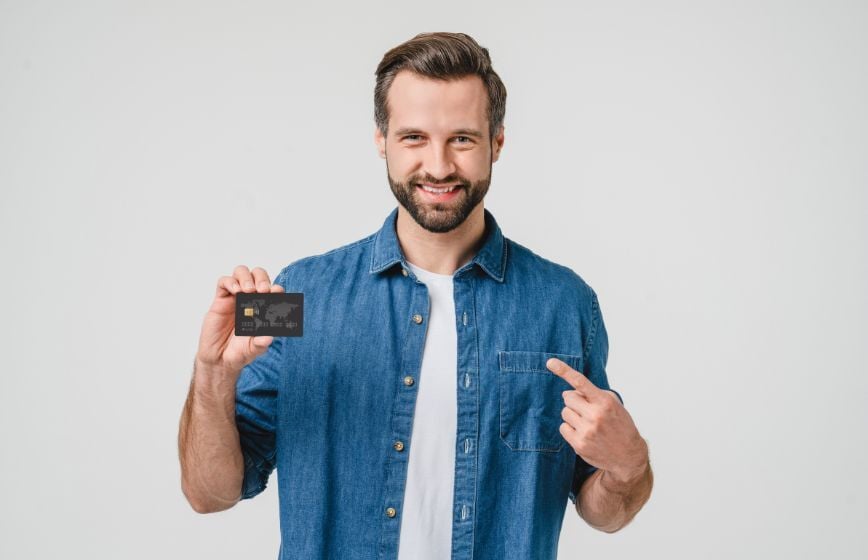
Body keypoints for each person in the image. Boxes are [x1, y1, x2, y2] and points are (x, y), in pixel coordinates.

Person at [178, 31, 653, 560]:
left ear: (497, 141)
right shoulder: (297, 294)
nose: (440, 166)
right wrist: (213, 375)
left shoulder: (564, 303)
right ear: (381, 139)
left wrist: (629, 464)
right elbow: (209, 494)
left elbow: (601, 509)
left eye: (462, 139)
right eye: (414, 138)